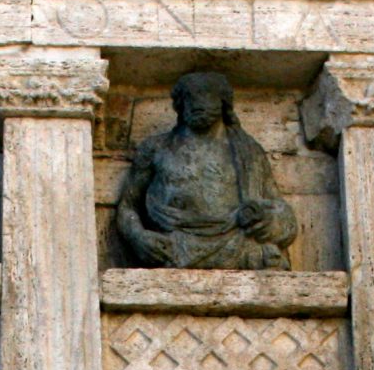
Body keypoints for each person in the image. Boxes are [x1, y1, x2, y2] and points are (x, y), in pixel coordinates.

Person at [115, 71, 298, 270]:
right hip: (176, 246)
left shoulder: (248, 152)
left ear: (223, 103)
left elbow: (282, 211)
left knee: (268, 260)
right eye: (190, 97)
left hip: (238, 244)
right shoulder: (155, 148)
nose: (198, 103)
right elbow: (128, 206)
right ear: (179, 104)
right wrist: (139, 237)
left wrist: (268, 219)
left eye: (208, 96)